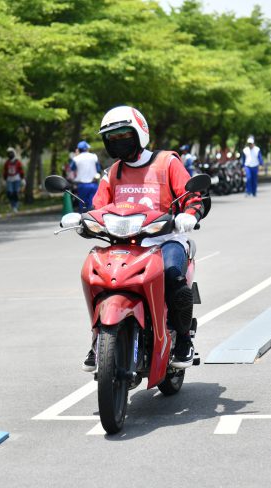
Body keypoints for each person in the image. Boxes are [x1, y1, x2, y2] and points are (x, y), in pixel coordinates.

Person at [61, 106, 206, 372]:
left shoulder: (167, 163)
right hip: (123, 243)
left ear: (139, 132)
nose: (118, 142)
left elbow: (194, 198)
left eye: (123, 135)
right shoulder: (112, 173)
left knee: (173, 276)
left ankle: (183, 339)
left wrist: (190, 215)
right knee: (95, 276)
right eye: (112, 138)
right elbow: (99, 208)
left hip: (165, 240)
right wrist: (81, 220)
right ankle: (99, 337)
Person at [70, 140, 101, 211]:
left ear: (78, 149)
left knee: (82, 205)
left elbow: (72, 168)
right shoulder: (94, 156)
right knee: (93, 205)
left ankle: (83, 220)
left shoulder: (76, 158)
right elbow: (98, 169)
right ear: (87, 148)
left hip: (82, 185)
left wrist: (76, 155)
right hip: (93, 184)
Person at [2, 147, 25, 212]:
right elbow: (5, 171)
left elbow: (21, 170)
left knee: (15, 193)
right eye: (9, 153)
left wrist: (22, 178)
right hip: (9, 179)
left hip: (17, 179)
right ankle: (12, 205)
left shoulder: (17, 162)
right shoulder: (6, 163)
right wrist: (4, 179)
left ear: (14, 153)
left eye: (11, 153)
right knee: (9, 193)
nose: (10, 154)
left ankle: (15, 207)